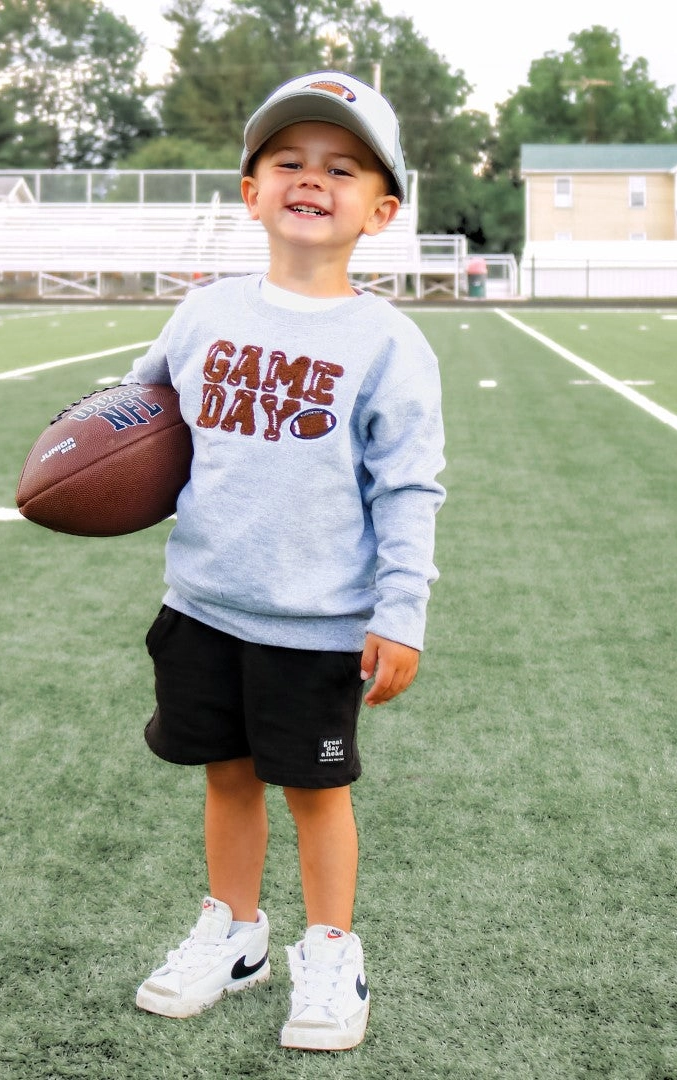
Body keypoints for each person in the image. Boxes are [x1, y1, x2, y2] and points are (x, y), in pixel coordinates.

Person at [124, 70, 446, 1052]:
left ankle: (331, 946)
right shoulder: (207, 312)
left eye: (341, 167)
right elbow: (138, 407)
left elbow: (408, 489)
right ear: (251, 191)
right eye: (289, 162)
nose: (313, 179)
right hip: (206, 600)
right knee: (225, 775)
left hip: (316, 620)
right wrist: (82, 442)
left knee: (315, 790)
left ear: (379, 210)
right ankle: (235, 932)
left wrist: (403, 609)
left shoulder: (389, 344)